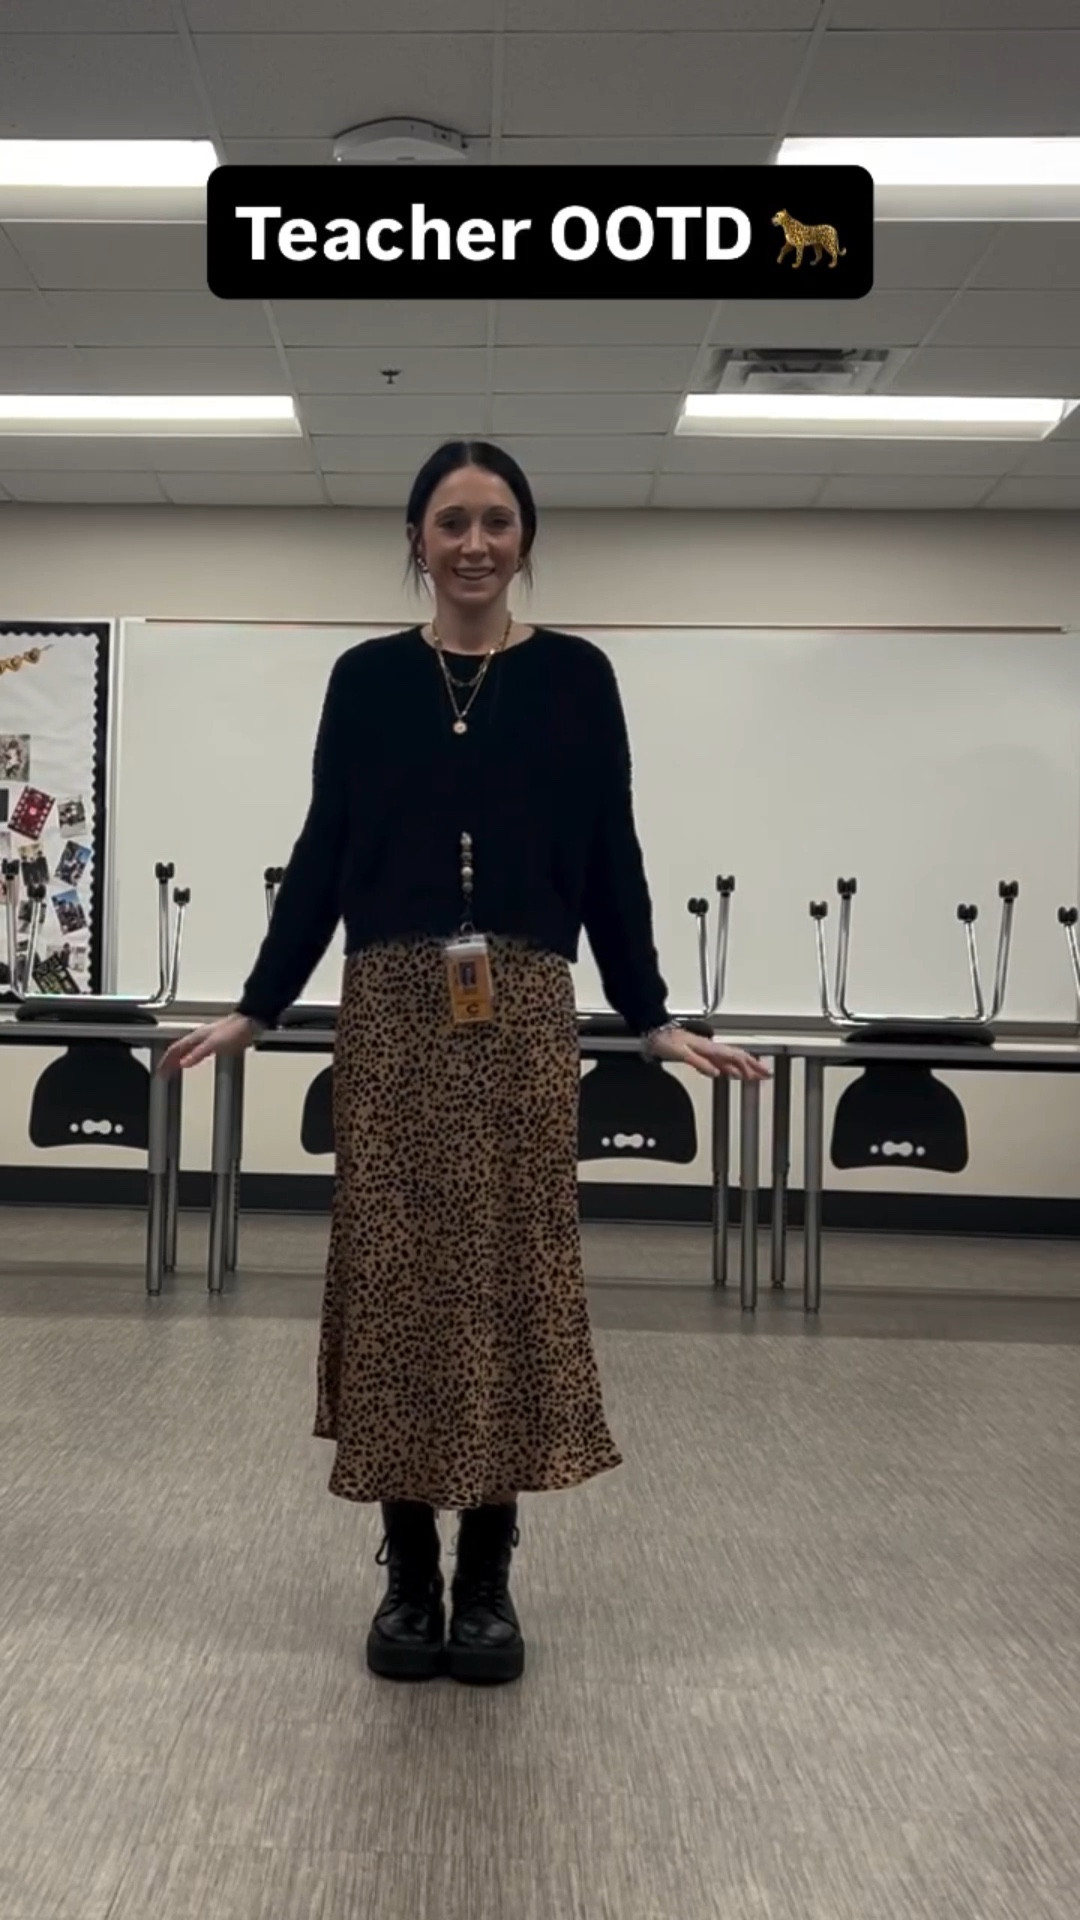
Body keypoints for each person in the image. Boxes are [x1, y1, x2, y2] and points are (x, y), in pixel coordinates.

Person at [160, 439, 769, 1688]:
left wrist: (650, 1014)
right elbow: (325, 846)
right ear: (417, 542)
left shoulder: (578, 679)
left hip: (524, 1009)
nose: (476, 543)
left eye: (497, 520)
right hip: (391, 1005)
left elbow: (611, 852)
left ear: (526, 537)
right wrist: (258, 1007)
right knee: (394, 1282)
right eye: (452, 522)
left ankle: (486, 1573)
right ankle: (408, 1570)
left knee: (506, 1277)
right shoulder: (367, 679)